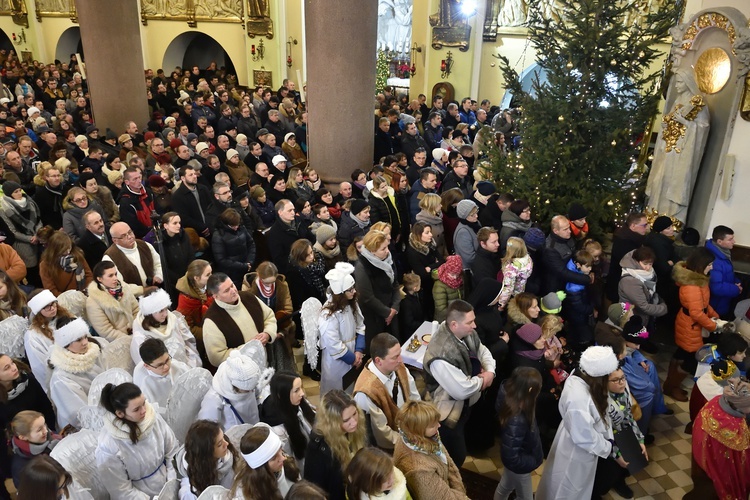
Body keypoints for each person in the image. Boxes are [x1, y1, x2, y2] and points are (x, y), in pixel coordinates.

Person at [535, 345, 619, 500]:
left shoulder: (582, 378)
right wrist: (608, 447)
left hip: (579, 442)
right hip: (576, 451)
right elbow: (584, 436)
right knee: (567, 489)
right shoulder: (579, 398)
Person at [423, 300, 495, 466]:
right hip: (447, 410)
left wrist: (490, 371)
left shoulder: (465, 333)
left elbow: (482, 351)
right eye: (470, 322)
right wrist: (483, 380)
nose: (475, 326)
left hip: (466, 404)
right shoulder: (440, 353)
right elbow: (461, 390)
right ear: (454, 324)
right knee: (455, 456)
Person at [645, 69, 709, 223]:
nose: (677, 86)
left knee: (673, 185)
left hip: (681, 155)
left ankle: (670, 218)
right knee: (660, 180)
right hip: (668, 151)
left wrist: (685, 122)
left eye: (680, 82)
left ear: (689, 83)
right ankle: (654, 214)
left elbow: (703, 128)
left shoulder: (699, 105)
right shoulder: (678, 101)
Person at [96, 382, 179, 499]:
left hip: (167, 482)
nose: (144, 410)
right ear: (120, 413)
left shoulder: (152, 418)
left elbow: (172, 452)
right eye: (136, 409)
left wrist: (171, 485)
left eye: (144, 403)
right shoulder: (108, 446)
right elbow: (121, 490)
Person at [665, 248, 719, 401]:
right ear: (701, 264)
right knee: (688, 358)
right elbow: (696, 312)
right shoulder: (692, 285)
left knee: (681, 353)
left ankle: (670, 385)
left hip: (691, 323)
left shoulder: (698, 279)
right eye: (709, 264)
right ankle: (671, 387)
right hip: (690, 325)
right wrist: (713, 326)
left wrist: (714, 316)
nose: (712, 268)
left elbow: (703, 305)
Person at [352, 333, 420, 450]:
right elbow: (382, 434)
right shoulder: (366, 392)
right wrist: (410, 443)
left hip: (409, 428)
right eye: (395, 357)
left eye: (399, 354)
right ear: (378, 361)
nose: (400, 360)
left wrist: (420, 424)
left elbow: (415, 399)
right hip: (388, 448)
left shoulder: (398, 367)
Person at [393, 400, 468, 499]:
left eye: (437, 421)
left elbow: (447, 462)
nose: (439, 425)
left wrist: (458, 488)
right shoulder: (419, 470)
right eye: (433, 425)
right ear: (417, 431)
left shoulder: (417, 436)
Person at [592, 367, 647, 499]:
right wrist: (617, 455)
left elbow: (630, 419)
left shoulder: (623, 393)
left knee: (624, 468)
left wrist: (639, 440)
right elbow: (604, 434)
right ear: (604, 382)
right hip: (606, 445)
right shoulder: (600, 402)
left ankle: (619, 481)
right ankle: (596, 492)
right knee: (607, 473)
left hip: (623, 437)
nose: (622, 382)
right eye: (616, 380)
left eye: (623, 378)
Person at [691, 377, 750, 499]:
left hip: (701, 459)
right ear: (740, 405)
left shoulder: (717, 401)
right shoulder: (731, 428)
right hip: (717, 473)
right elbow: (740, 456)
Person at [202, 272, 277, 367]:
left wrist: (268, 333)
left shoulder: (248, 297)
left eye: (232, 285)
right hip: (241, 374)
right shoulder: (212, 321)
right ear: (216, 296)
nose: (233, 291)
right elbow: (217, 357)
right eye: (226, 290)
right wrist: (248, 349)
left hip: (266, 363)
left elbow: (269, 317)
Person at [304, 390, 366, 500]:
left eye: (355, 413)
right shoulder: (318, 450)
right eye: (346, 420)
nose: (355, 422)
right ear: (332, 423)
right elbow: (316, 491)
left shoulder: (356, 425)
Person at [48, 317, 107, 429]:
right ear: (66, 343)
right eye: (78, 340)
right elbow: (79, 415)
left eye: (85, 337)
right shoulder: (61, 378)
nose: (85, 343)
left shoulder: (93, 353)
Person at [494, 367, 543, 500]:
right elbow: (511, 456)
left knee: (505, 486)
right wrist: (532, 461)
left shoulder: (514, 401)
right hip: (520, 465)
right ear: (530, 391)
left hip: (519, 460)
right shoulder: (517, 418)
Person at [318, 262, 366, 394]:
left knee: (350, 390)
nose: (354, 291)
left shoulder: (351, 303)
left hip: (354, 354)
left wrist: (359, 351)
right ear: (340, 293)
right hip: (337, 361)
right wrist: (353, 359)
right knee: (336, 392)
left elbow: (360, 326)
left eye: (353, 287)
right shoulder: (328, 314)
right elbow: (333, 344)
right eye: (350, 289)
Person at [354, 230, 401, 350]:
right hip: (375, 317)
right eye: (383, 249)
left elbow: (395, 284)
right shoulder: (362, 266)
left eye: (387, 247)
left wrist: (395, 307)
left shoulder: (387, 259)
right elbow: (366, 297)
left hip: (391, 311)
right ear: (372, 251)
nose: (387, 251)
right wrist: (387, 312)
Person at [199, 350, 270, 429]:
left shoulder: (250, 384)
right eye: (247, 390)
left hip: (254, 426)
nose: (251, 392)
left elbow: (258, 395)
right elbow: (207, 429)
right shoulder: (213, 399)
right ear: (234, 386)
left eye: (252, 389)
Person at [130, 288, 200, 367]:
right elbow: (148, 365)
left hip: (186, 366)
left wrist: (190, 367)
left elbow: (188, 344)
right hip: (162, 373)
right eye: (161, 311)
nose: (165, 314)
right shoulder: (141, 337)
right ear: (150, 313)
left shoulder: (173, 319)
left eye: (166, 309)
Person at [260, 371, 316, 470]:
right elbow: (288, 459)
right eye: (296, 390)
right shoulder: (278, 429)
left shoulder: (295, 403)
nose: (302, 393)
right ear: (281, 394)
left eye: (301, 388)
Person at [230, 424, 300, 499]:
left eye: (280, 449)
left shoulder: (286, 464)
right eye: (274, 458)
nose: (283, 458)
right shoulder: (246, 494)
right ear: (261, 467)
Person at [177, 420, 239, 499]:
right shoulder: (189, 493)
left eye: (223, 437)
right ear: (207, 453)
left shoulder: (228, 458)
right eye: (219, 444)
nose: (226, 443)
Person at [24, 290, 72, 392]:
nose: (53, 308)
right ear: (38, 310)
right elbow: (40, 367)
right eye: (47, 306)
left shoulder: (65, 317)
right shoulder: (33, 336)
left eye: (53, 303)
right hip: (62, 378)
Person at [102, 221, 164, 297]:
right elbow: (117, 284)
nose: (129, 237)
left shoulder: (145, 245)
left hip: (155, 292)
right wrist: (142, 290)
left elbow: (159, 263)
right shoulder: (109, 258)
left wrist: (159, 275)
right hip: (133, 300)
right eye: (124, 236)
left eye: (130, 232)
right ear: (115, 240)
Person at [0, 180, 42, 285]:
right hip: (22, 244)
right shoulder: (4, 209)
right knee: (31, 273)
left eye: (20, 190)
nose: (19, 194)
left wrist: (37, 234)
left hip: (38, 239)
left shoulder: (30, 202)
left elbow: (38, 219)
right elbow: (12, 231)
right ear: (9, 194)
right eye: (16, 192)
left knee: (41, 268)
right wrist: (29, 239)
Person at [86, 261, 139, 341]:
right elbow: (105, 331)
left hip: (137, 333)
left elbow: (136, 310)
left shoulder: (124, 289)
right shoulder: (92, 301)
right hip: (118, 343)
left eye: (115, 274)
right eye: (110, 276)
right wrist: (129, 340)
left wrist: (137, 329)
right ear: (99, 279)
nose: (115, 278)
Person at [618, 246, 668, 329]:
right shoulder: (631, 281)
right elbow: (644, 306)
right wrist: (663, 308)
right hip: (632, 319)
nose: (648, 268)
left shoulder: (645, 273)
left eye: (650, 264)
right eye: (645, 264)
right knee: (634, 340)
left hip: (642, 317)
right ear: (636, 262)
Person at [132, 338, 189, 412]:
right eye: (160, 365)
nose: (166, 367)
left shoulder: (178, 366)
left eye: (167, 360)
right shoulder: (143, 381)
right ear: (147, 366)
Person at [10, 410, 61, 488]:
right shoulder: (22, 466)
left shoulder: (53, 438)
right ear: (23, 437)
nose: (46, 430)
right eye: (39, 430)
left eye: (44, 424)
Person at [542, 215, 590, 296]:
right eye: (565, 229)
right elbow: (562, 272)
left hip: (571, 280)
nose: (570, 231)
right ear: (556, 231)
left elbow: (574, 252)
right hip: (558, 288)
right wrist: (585, 279)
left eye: (569, 227)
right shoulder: (550, 249)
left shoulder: (567, 237)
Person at [606, 212, 649, 303]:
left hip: (627, 286)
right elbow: (631, 264)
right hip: (621, 288)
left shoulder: (633, 237)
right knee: (624, 313)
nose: (647, 228)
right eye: (644, 225)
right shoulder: (624, 242)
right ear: (633, 226)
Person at [406, 222, 444, 320]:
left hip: (434, 281)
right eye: (427, 233)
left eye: (430, 232)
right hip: (424, 288)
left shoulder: (430, 244)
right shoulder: (412, 252)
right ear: (419, 235)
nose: (431, 235)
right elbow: (422, 274)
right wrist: (436, 265)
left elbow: (442, 261)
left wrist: (430, 267)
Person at [39, 231, 92, 296]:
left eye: (69, 247)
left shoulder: (77, 255)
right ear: (55, 249)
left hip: (84, 295)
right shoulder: (45, 265)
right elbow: (51, 290)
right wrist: (68, 300)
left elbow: (88, 275)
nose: (68, 251)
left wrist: (84, 292)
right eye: (64, 249)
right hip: (64, 301)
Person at [175, 259, 213, 351]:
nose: (212, 277)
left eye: (211, 273)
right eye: (208, 275)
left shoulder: (210, 286)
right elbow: (188, 328)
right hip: (203, 339)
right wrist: (212, 333)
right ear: (197, 278)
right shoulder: (186, 300)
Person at [212, 208, 256, 287]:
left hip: (247, 268)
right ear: (226, 223)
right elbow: (221, 260)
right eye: (232, 226)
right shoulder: (218, 236)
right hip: (232, 274)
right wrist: (243, 266)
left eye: (237, 224)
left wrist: (250, 262)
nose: (236, 227)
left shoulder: (241, 228)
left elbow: (251, 244)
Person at [705, 225, 742, 319]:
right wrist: (736, 289)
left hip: (722, 302)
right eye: (730, 239)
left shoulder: (723, 253)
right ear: (719, 242)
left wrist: (737, 282)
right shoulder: (715, 260)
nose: (734, 241)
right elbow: (716, 288)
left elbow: (727, 274)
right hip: (715, 307)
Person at [286, 239, 327, 311]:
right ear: (300, 257)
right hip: (310, 306)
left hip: (323, 298)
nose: (312, 256)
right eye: (307, 255)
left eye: (311, 252)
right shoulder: (294, 273)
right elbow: (300, 296)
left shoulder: (318, 260)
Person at [160, 212, 195, 297]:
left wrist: (189, 273)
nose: (178, 225)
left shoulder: (183, 235)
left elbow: (190, 255)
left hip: (188, 275)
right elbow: (163, 266)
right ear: (166, 226)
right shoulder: (160, 242)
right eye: (175, 223)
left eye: (179, 223)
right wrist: (179, 280)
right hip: (173, 282)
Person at [497, 237, 533, 310]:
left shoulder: (511, 269)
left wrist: (501, 303)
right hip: (521, 289)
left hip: (512, 296)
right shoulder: (527, 257)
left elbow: (508, 288)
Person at [433, 255, 465, 322]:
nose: (455, 277)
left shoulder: (461, 278)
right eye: (452, 274)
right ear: (447, 271)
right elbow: (441, 309)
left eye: (457, 274)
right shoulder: (439, 286)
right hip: (446, 320)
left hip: (459, 316)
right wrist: (457, 316)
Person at [452, 200, 479, 272]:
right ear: (464, 216)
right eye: (472, 215)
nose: (476, 216)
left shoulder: (474, 223)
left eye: (476, 212)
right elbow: (470, 258)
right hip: (469, 270)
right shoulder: (463, 232)